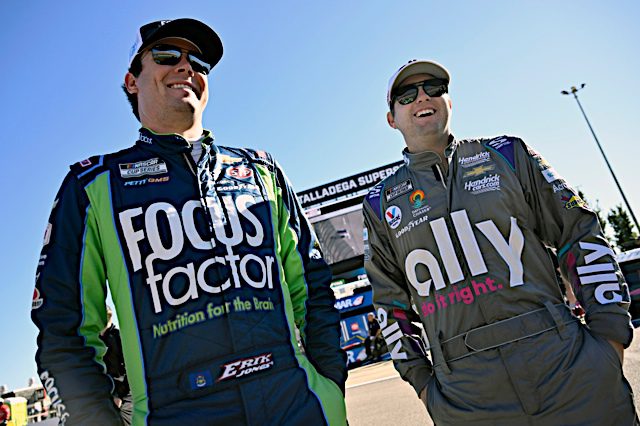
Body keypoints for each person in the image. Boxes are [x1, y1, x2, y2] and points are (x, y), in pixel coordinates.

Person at [32, 18, 346, 425]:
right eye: (166, 55)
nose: (186, 66)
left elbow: (314, 286)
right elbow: (64, 328)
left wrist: (329, 386)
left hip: (299, 410)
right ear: (132, 81)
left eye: (197, 61)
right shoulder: (91, 187)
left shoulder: (261, 171)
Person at [362, 59, 638, 425]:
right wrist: (426, 388)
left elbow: (579, 233)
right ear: (391, 118)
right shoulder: (381, 203)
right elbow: (390, 306)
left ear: (450, 100)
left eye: (434, 87)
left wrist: (610, 337)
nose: (422, 97)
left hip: (572, 375)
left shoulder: (508, 154)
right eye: (406, 94)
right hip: (468, 401)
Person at [100, 306, 132, 425]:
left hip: (125, 396)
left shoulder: (119, 337)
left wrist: (118, 395)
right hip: (105, 397)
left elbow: (129, 370)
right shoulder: (95, 342)